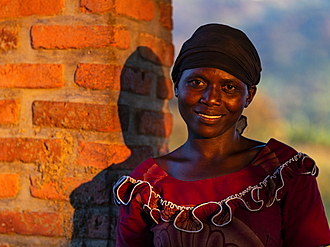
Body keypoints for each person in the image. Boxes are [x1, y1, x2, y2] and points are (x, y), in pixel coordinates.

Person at [113, 23, 330, 247]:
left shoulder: (283, 172)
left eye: (229, 87)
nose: (211, 98)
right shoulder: (147, 185)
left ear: (249, 96)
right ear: (177, 86)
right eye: (197, 82)